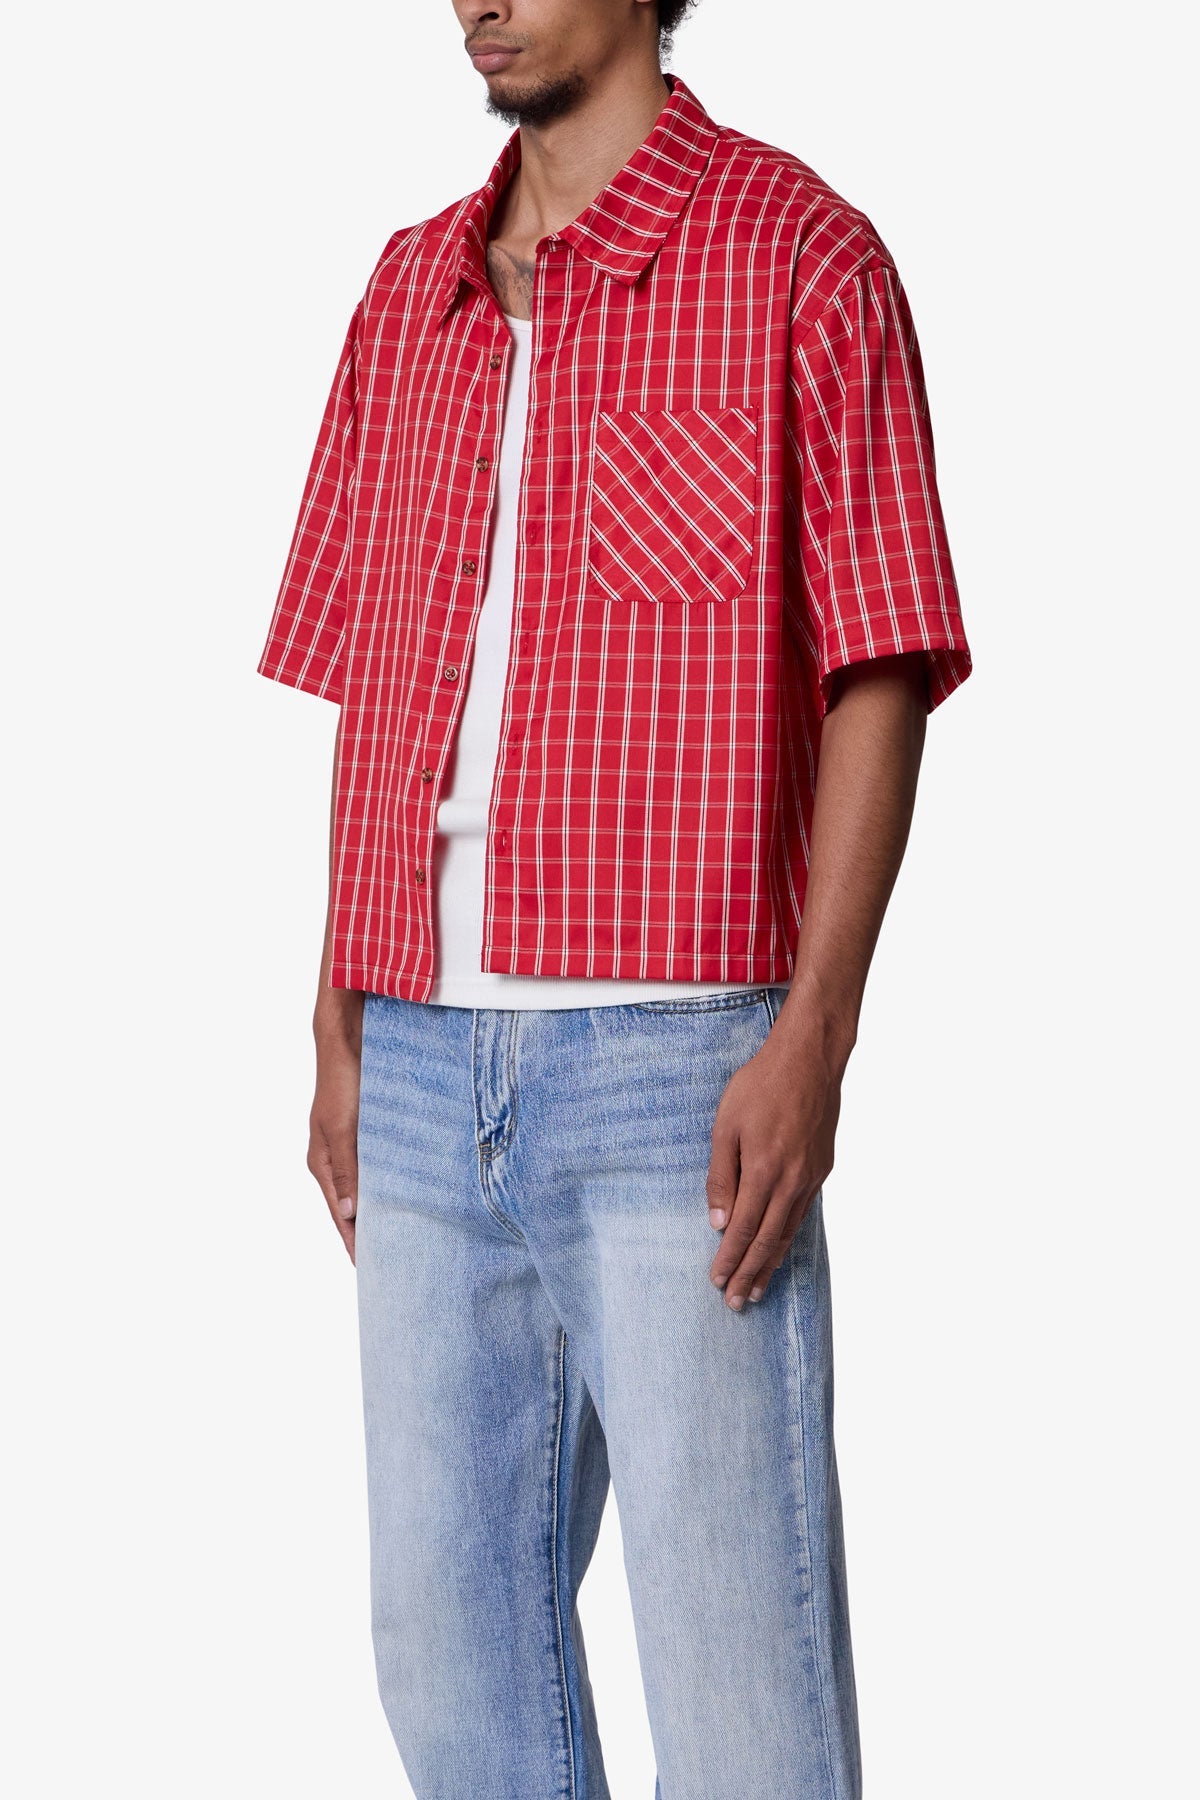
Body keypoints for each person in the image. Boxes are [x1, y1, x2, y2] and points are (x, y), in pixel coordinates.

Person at [256, 1, 972, 1793]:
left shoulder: (802, 258)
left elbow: (881, 663)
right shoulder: (405, 292)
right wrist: (339, 1004)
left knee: (741, 1696)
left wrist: (814, 1037)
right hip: (419, 1061)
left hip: (681, 1063)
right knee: (451, 1672)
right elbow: (366, 668)